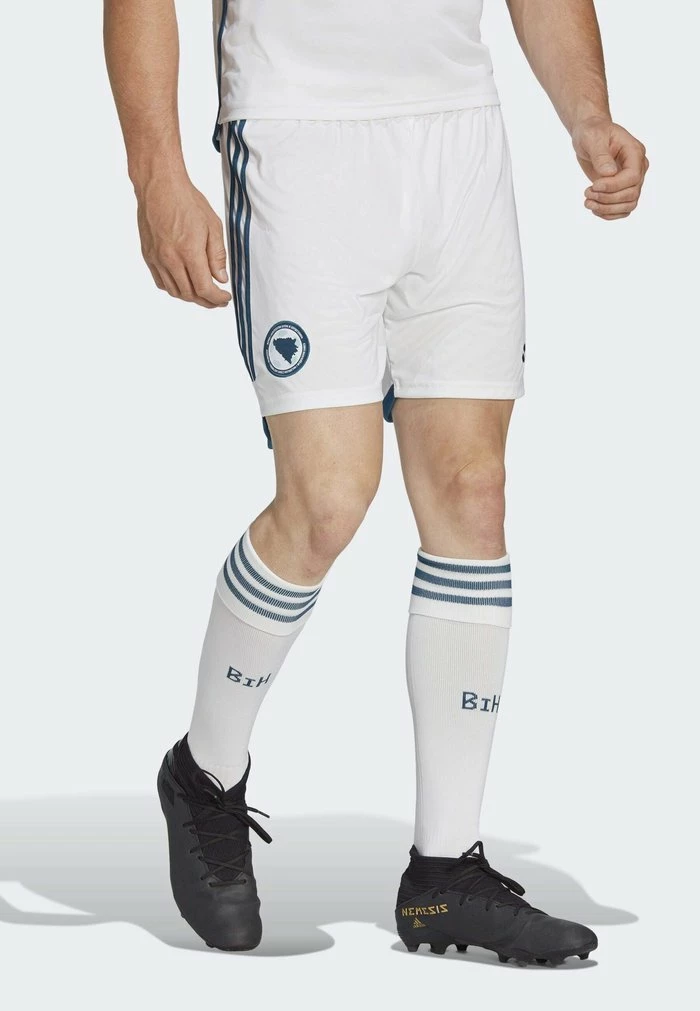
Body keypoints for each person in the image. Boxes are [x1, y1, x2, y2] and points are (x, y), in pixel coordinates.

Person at [104, 0, 647, 963]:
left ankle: (445, 871)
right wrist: (157, 174)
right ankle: (203, 774)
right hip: (296, 129)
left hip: (457, 129)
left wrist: (588, 111)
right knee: (326, 499)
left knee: (473, 491)